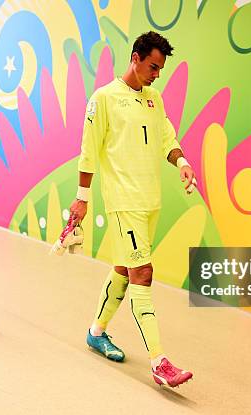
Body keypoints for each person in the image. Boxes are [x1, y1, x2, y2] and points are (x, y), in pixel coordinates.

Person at [69, 32, 195, 387]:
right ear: (135, 58)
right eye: (153, 67)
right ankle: (159, 361)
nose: (157, 74)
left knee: (124, 268)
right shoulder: (104, 99)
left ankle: (96, 332)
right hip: (123, 202)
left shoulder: (154, 99)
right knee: (143, 273)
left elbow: (166, 138)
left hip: (149, 200)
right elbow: (88, 151)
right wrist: (82, 197)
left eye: (161, 69)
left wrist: (182, 161)